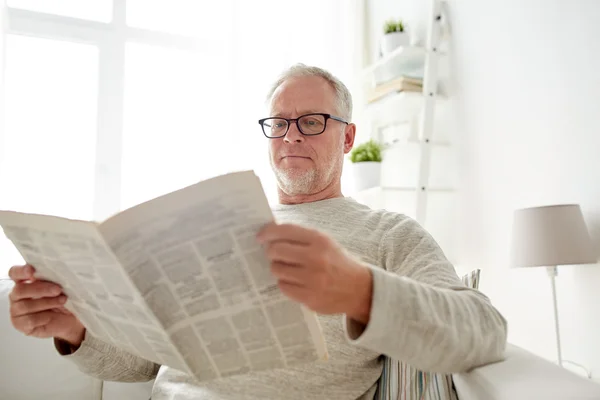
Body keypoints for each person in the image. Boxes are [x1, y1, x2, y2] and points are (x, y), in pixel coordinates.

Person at [7, 64, 507, 400]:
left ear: (349, 136)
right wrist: (72, 329)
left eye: (311, 121)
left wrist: (360, 290)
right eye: (279, 123)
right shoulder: (212, 227)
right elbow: (142, 364)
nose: (291, 136)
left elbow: (483, 330)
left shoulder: (387, 233)